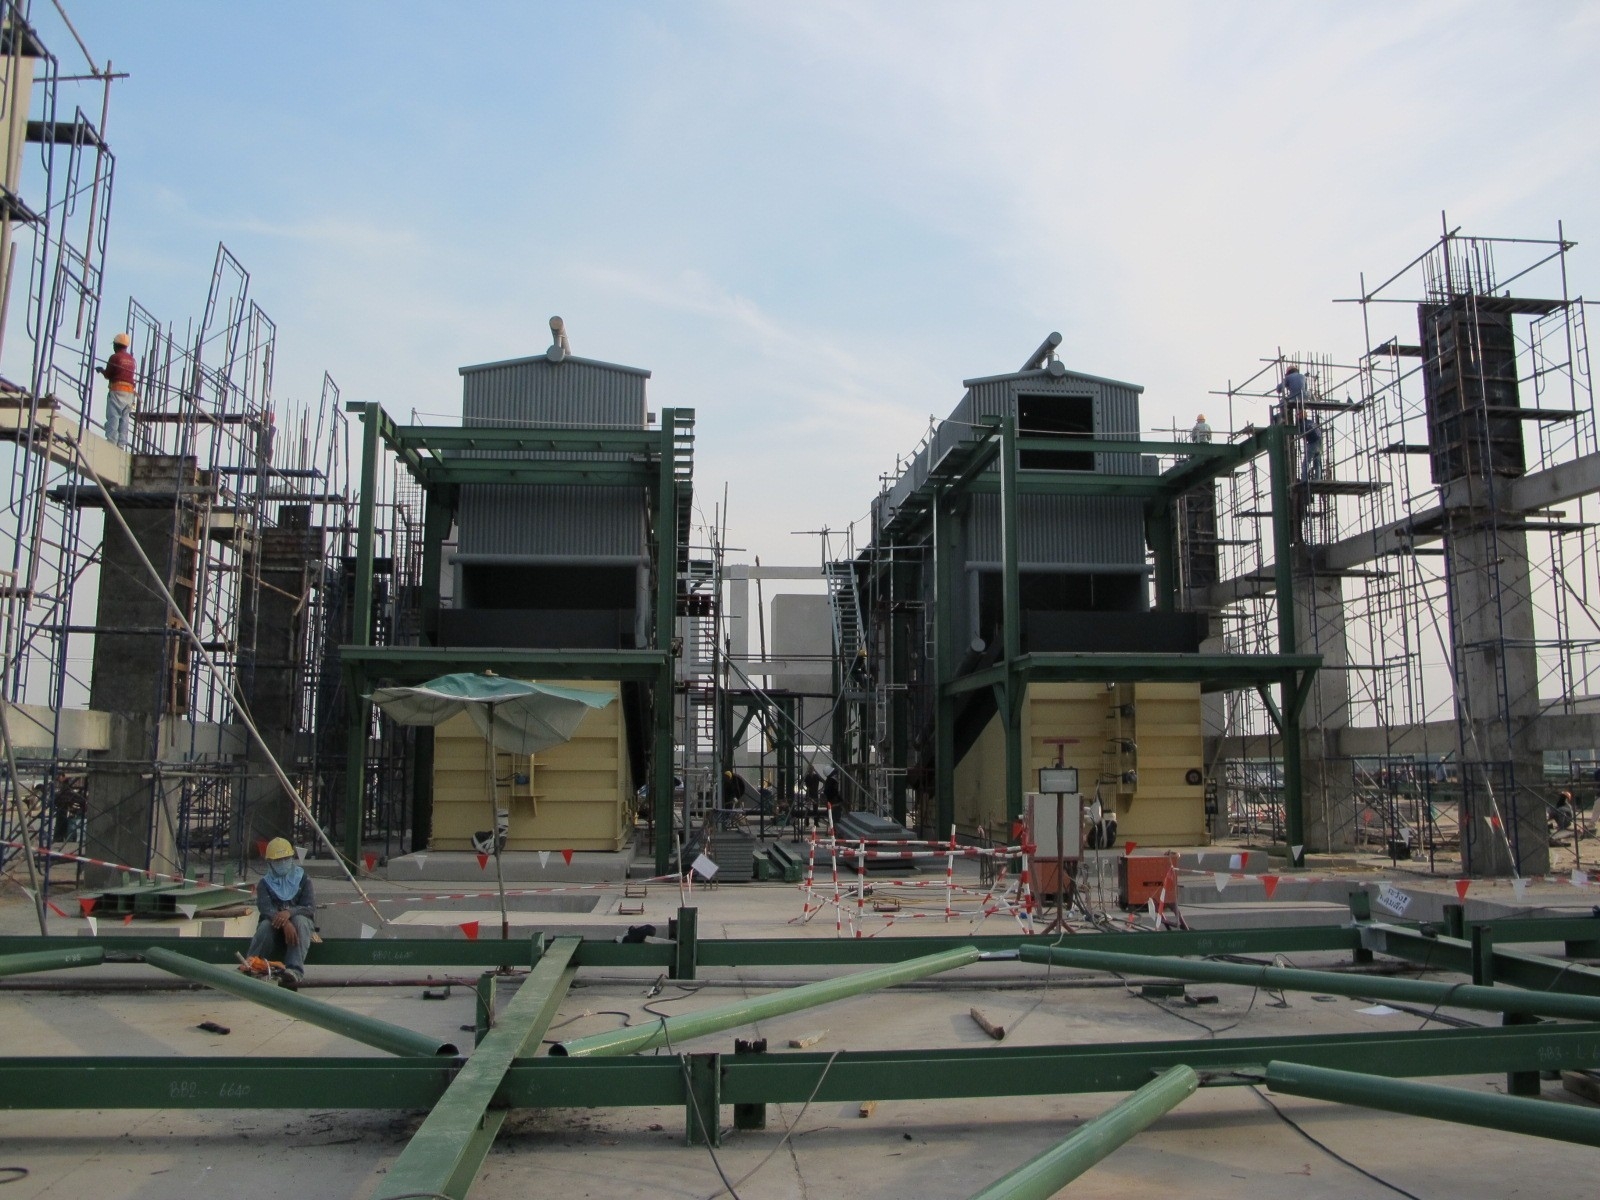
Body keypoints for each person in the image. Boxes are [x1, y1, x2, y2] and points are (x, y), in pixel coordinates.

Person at [242, 837, 315, 988]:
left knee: (300, 921)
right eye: (278, 860)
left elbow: (308, 907)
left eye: (285, 858)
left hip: (298, 923)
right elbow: (266, 909)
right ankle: (253, 965)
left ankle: (294, 971)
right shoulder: (264, 884)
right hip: (274, 924)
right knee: (265, 927)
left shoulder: (304, 880)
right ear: (270, 862)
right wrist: (285, 922)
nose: (282, 863)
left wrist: (289, 913)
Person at [99, 332, 137, 449]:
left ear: (116, 345)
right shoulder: (132, 360)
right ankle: (121, 444)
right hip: (129, 393)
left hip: (117, 391)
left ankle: (111, 442)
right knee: (124, 419)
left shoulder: (115, 357)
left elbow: (109, 374)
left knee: (114, 415)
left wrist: (101, 370)